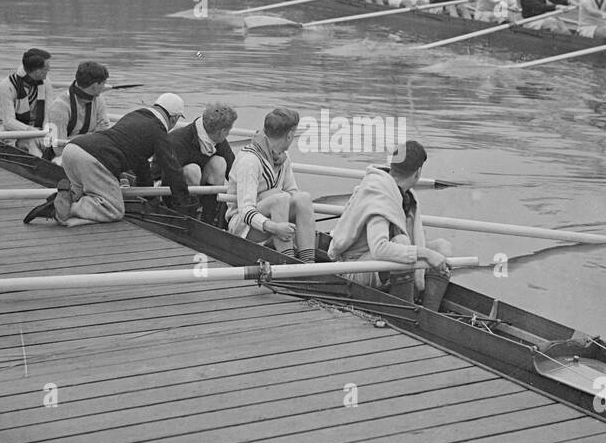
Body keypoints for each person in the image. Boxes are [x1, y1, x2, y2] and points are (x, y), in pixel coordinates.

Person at [24, 93, 192, 226]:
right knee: (114, 210)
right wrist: (183, 204)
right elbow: (172, 169)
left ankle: (62, 199)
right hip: (94, 159)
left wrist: (149, 198)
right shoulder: (158, 132)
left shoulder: (136, 115)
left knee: (80, 192)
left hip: (72, 150)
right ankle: (66, 208)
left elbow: (141, 163)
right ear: (174, 118)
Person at [327, 140, 453, 311]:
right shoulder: (380, 195)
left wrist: (431, 253)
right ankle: (406, 311)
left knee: (442, 247)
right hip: (353, 268)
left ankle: (429, 312)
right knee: (401, 243)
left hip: (377, 265)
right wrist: (426, 254)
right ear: (418, 172)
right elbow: (380, 248)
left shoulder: (403, 192)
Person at [223, 106, 317, 261]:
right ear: (289, 135)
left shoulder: (283, 157)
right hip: (241, 226)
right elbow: (246, 210)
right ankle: (287, 264)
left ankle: (308, 262)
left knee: (303, 198)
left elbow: (293, 193)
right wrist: (275, 227)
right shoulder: (250, 160)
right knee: (280, 199)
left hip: (272, 217)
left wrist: (303, 220)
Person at [165, 102, 238, 225]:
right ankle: (189, 218)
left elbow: (234, 173)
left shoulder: (217, 140)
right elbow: (165, 178)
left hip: (196, 191)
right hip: (171, 193)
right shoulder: (178, 141)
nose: (229, 133)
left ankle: (208, 220)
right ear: (222, 131)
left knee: (219, 163)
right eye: (229, 130)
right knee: (192, 170)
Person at [45, 60, 112, 157]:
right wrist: (91, 136)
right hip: (60, 157)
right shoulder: (59, 107)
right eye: (103, 84)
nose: (104, 87)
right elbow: (58, 149)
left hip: (87, 150)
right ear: (95, 86)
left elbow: (105, 135)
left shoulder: (99, 99)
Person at [0, 48, 54, 156]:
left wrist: (46, 132)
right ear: (38, 71)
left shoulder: (46, 82)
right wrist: (33, 132)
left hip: (37, 129)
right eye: (47, 68)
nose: (49, 70)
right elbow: (9, 122)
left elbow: (49, 113)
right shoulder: (5, 86)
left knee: (54, 139)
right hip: (12, 130)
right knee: (32, 143)